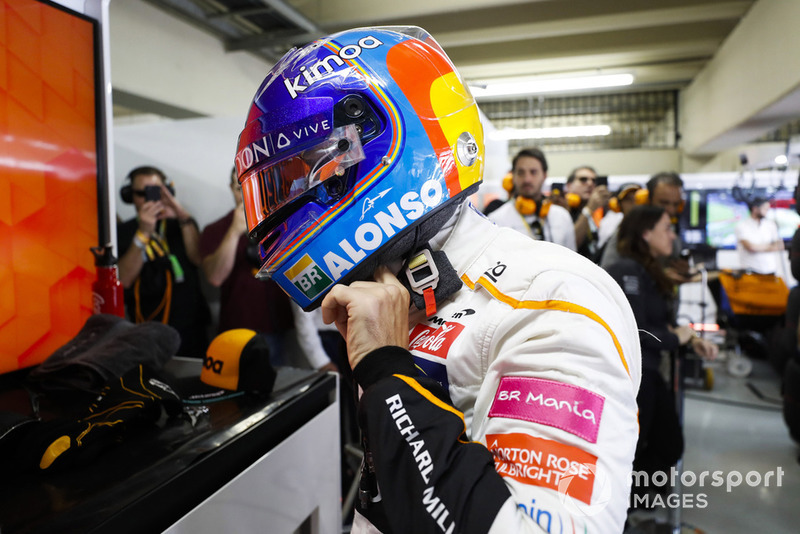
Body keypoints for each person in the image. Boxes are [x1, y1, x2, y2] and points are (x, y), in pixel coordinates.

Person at [234, 26, 641, 533]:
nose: (284, 206)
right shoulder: (397, 295)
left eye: (302, 177)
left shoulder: (552, 296)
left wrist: (387, 373)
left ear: (376, 149)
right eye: (275, 189)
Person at [605, 205, 717, 503]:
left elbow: (658, 321)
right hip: (633, 379)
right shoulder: (626, 270)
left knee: (667, 444)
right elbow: (639, 332)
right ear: (645, 233)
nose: (672, 235)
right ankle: (620, 510)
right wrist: (673, 338)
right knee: (639, 448)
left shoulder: (650, 271)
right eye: (666, 228)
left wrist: (690, 338)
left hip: (651, 374)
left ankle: (633, 503)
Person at [199, 168, 296, 365]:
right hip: (236, 327)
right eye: (238, 188)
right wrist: (234, 231)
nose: (245, 196)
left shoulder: (283, 221)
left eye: (251, 188)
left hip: (280, 325)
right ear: (230, 188)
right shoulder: (215, 229)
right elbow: (215, 277)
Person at [117, 166, 210, 357]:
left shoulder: (181, 224)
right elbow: (123, 279)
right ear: (129, 196)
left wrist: (180, 213)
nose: (149, 199)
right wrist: (143, 233)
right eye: (142, 193)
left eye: (155, 192)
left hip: (191, 328)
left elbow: (198, 259)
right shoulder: (123, 232)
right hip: (145, 333)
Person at [600, 172, 694, 285]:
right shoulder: (627, 232)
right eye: (664, 203)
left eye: (676, 204)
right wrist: (659, 276)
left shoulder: (673, 236)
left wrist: (682, 271)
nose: (670, 210)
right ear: (646, 200)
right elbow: (607, 277)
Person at [487, 148, 577, 250]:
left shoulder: (562, 217)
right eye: (521, 172)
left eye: (533, 172)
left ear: (544, 176)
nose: (527, 179)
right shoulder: (497, 220)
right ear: (513, 177)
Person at [564, 165, 611, 262]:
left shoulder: (599, 210)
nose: (590, 183)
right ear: (569, 186)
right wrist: (589, 209)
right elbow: (571, 244)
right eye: (583, 179)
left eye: (593, 180)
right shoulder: (563, 210)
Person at [735, 196, 784, 274]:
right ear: (755, 209)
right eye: (764, 208)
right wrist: (770, 246)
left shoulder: (770, 224)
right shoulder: (742, 226)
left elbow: (780, 245)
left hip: (770, 271)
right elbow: (751, 247)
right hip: (751, 272)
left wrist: (758, 247)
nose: (767, 211)